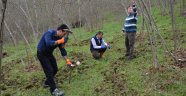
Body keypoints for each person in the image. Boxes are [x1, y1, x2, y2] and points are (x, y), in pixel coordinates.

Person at [37, 24, 75, 96]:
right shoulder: (49, 33)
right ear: (60, 31)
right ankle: (54, 90)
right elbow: (49, 43)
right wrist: (61, 40)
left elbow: (63, 50)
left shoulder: (60, 38)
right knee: (49, 70)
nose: (64, 36)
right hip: (41, 53)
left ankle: (47, 83)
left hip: (49, 54)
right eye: (64, 34)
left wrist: (68, 61)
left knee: (55, 69)